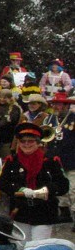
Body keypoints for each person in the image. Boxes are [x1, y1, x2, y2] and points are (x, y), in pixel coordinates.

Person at [0, 122, 69, 241]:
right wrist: (20, 190)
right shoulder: (12, 161)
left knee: (38, 247)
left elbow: (63, 185)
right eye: (23, 141)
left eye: (30, 141)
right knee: (20, 248)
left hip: (44, 212)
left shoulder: (51, 161)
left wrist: (46, 190)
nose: (26, 144)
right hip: (20, 212)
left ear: (38, 142)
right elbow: (3, 183)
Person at [45, 92, 75, 229]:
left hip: (71, 160)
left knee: (73, 190)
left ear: (66, 105)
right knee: (59, 188)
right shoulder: (49, 119)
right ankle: (64, 213)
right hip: (54, 160)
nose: (56, 106)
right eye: (54, 103)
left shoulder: (73, 118)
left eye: (59, 103)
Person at [0, 88, 23, 184]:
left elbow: (12, 122)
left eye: (6, 97)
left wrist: (2, 121)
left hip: (7, 139)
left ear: (10, 98)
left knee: (6, 162)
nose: (2, 99)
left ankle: (5, 182)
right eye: (1, 97)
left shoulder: (15, 109)